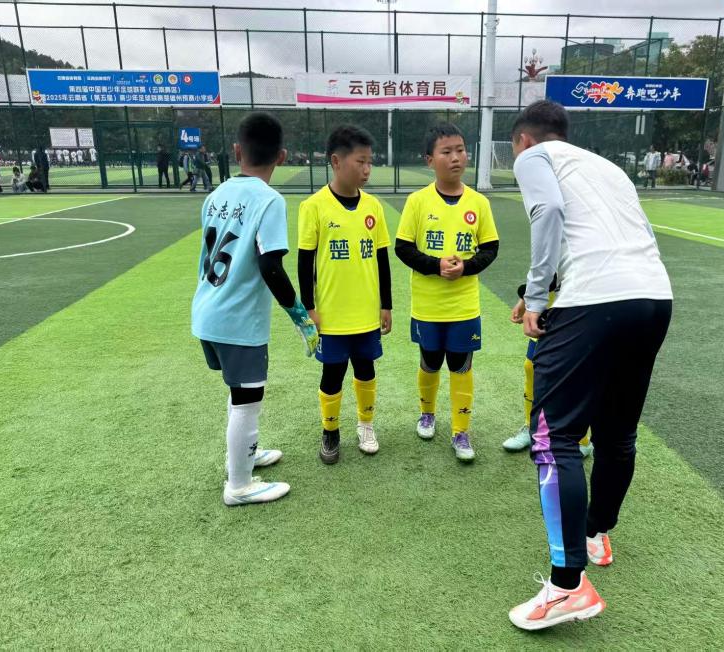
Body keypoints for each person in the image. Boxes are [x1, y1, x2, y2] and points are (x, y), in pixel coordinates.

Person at [506, 100, 672, 631]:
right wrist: (539, 289)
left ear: (524, 140)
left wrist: (537, 297)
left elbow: (551, 216)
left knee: (553, 437)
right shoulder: (606, 167)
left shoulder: (533, 157)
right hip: (653, 297)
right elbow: (613, 237)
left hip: (596, 301)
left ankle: (567, 585)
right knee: (617, 432)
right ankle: (596, 534)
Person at [191, 112, 318, 506]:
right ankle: (239, 485)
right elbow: (270, 266)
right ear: (281, 156)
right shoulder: (270, 200)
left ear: (236, 151)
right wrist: (301, 318)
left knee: (239, 392)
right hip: (238, 320)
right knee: (248, 398)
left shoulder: (215, 195)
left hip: (207, 312)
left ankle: (244, 456)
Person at [394, 123, 500, 462]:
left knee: (461, 365)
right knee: (429, 362)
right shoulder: (417, 201)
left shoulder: (479, 203)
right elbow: (403, 248)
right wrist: (436, 265)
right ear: (430, 160)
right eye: (447, 151)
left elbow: (491, 248)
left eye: (460, 150)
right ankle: (427, 414)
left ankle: (461, 430)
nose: (456, 157)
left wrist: (465, 267)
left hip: (464, 307)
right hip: (428, 306)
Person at [297, 125, 392, 465]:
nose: (367, 169)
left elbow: (382, 258)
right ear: (336, 161)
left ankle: (366, 425)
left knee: (366, 369)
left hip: (366, 313)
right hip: (332, 315)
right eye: (360, 162)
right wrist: (309, 308)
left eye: (370, 162)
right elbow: (305, 262)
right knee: (332, 373)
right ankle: (330, 430)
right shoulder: (314, 206)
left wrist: (386, 305)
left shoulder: (373, 206)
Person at [503, 280, 593, 459]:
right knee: (531, 367)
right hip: (547, 314)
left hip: (577, 312)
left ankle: (581, 439)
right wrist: (525, 300)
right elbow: (540, 272)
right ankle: (532, 427)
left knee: (572, 376)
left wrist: (526, 295)